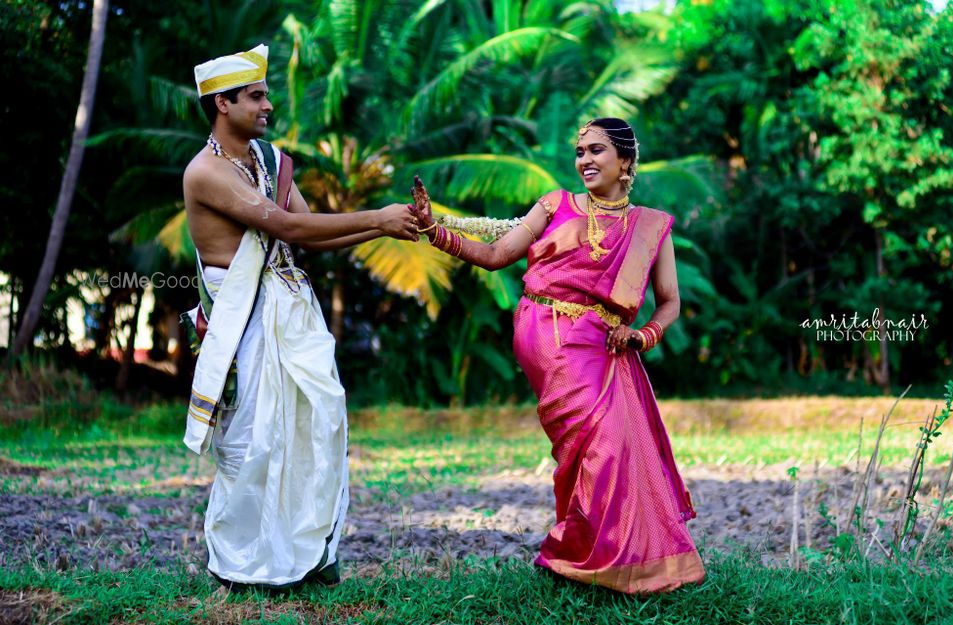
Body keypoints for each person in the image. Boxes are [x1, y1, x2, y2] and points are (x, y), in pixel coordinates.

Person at [408, 118, 705, 593]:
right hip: (545, 331)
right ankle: (585, 557)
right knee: (599, 442)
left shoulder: (651, 226)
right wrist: (434, 231)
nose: (584, 160)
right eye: (579, 151)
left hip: (606, 341)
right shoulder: (555, 204)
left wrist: (644, 335)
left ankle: (607, 558)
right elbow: (496, 255)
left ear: (625, 161)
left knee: (613, 446)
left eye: (596, 151)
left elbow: (670, 301)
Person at [180, 43, 420, 589]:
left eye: (267, 95)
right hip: (244, 319)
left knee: (318, 424)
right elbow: (289, 230)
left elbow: (313, 236)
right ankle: (240, 564)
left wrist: (385, 226)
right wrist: (378, 217)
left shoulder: (267, 161)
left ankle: (309, 552)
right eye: (256, 96)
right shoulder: (206, 173)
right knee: (253, 441)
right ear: (222, 103)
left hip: (290, 308)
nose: (268, 106)